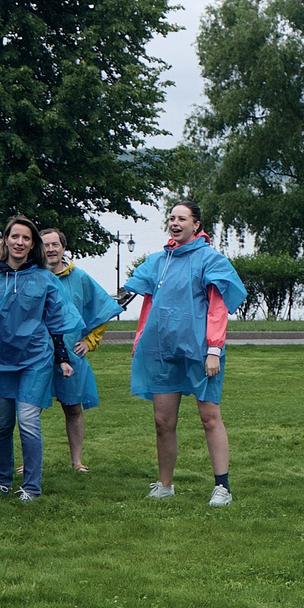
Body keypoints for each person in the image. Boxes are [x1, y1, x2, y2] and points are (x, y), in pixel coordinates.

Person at [119, 199, 246, 504]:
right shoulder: (158, 261)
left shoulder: (210, 260)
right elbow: (134, 297)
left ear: (196, 225)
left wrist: (214, 349)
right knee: (163, 422)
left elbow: (218, 309)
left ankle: (222, 487)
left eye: (182, 219)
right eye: (172, 218)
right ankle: (165, 485)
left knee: (209, 417)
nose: (175, 223)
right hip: (162, 351)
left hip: (201, 352)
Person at [0, 216, 74, 500]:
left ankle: (31, 486)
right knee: (2, 422)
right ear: (5, 239)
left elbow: (55, 320)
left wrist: (62, 357)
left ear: (33, 245)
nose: (20, 242)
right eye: (14, 236)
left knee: (29, 421)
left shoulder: (45, 279)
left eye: (26, 238)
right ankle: (3, 479)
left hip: (35, 358)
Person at [42, 225, 123, 474]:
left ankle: (77, 461)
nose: (50, 249)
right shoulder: (32, 275)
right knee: (29, 409)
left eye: (55, 244)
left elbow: (104, 307)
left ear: (63, 248)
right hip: (36, 353)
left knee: (73, 407)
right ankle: (30, 460)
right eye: (45, 245)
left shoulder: (79, 278)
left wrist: (90, 341)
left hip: (71, 354)